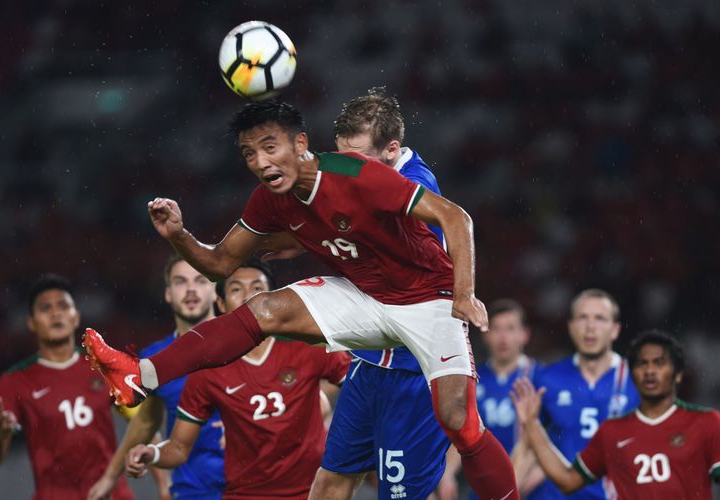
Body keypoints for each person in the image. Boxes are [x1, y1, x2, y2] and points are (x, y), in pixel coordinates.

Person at [84, 100, 519, 499]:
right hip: (369, 298)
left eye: (269, 147)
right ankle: (140, 375)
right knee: (265, 308)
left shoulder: (360, 174)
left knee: (457, 419)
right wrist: (179, 235)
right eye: (249, 154)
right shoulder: (270, 201)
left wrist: (465, 296)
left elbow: (455, 217)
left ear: (301, 144)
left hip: (430, 301)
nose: (260, 162)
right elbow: (219, 265)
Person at [279, 88, 449, 500]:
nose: (347, 169)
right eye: (342, 156)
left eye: (359, 159)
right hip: (370, 363)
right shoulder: (368, 177)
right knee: (330, 483)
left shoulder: (415, 190)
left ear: (392, 150)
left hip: (413, 369)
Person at [124, 262, 351, 499]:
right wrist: (151, 453)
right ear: (220, 304)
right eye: (236, 289)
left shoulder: (308, 347)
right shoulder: (207, 369)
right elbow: (179, 448)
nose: (248, 298)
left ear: (274, 299)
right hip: (244, 494)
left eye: (257, 289)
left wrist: (345, 434)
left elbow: (362, 388)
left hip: (310, 493)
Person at [511, 330, 720, 499]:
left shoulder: (705, 422)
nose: (649, 371)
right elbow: (567, 480)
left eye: (659, 363)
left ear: (678, 374)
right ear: (632, 373)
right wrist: (532, 425)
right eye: (642, 364)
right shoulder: (612, 431)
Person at [88, 255, 224, 500]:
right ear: (168, 294)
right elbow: (146, 421)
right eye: (181, 282)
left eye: (200, 281)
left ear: (215, 291)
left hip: (252, 486)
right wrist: (110, 477)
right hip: (193, 491)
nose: (191, 289)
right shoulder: (153, 359)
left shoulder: (242, 344)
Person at [0, 274, 133, 500]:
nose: (56, 313)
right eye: (45, 308)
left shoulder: (104, 367)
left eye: (63, 306)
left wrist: (163, 486)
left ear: (76, 317)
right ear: (31, 323)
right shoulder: (14, 381)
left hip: (111, 495)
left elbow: (142, 423)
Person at [523, 288, 640, 499]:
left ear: (615, 330)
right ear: (570, 327)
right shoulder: (547, 378)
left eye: (600, 318)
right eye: (582, 318)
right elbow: (528, 444)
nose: (590, 327)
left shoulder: (638, 381)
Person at [442, 298, 542, 499]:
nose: (503, 337)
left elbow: (553, 437)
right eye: (496, 329)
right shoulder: (471, 378)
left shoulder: (541, 378)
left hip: (532, 490)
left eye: (511, 328)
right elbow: (460, 432)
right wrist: (447, 475)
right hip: (484, 487)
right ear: (485, 334)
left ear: (524, 335)